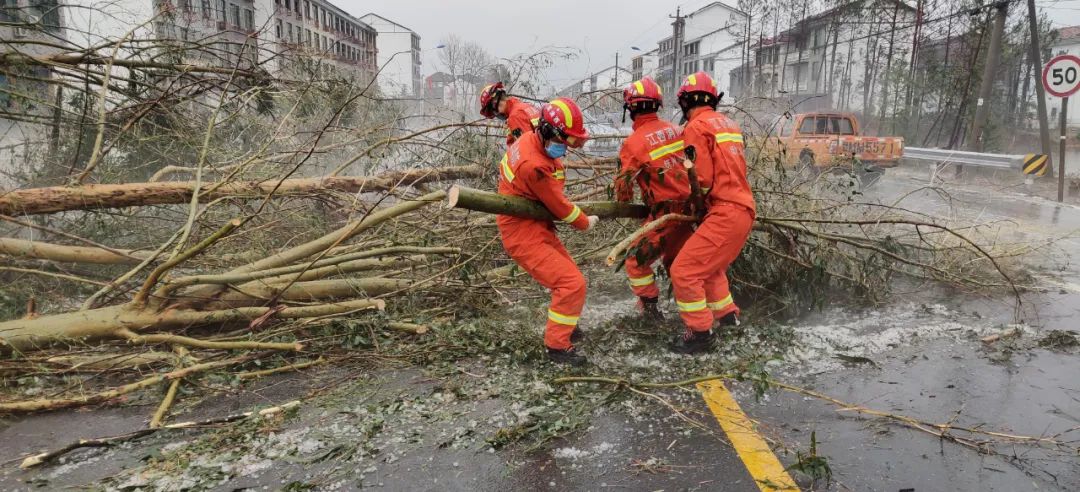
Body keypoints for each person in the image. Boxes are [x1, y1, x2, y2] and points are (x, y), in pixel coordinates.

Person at [497, 97, 599, 366]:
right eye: (564, 141)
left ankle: (566, 326)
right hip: (522, 233)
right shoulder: (535, 166)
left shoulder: (530, 139)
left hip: (534, 225)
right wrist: (585, 222)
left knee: (571, 276)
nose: (566, 148)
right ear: (547, 131)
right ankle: (557, 346)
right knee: (571, 283)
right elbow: (560, 207)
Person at [668, 71, 756, 354]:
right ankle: (728, 319)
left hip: (725, 211)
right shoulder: (728, 124)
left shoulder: (696, 127)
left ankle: (699, 334)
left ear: (686, 101)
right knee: (710, 268)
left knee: (684, 271)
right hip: (742, 208)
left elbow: (701, 178)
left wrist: (690, 204)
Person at [614, 77, 693, 320]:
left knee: (635, 260)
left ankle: (650, 311)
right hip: (692, 210)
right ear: (657, 105)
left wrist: (623, 196)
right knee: (678, 263)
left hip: (665, 215)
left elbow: (624, 190)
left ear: (631, 108)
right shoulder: (677, 130)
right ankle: (697, 312)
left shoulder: (633, 143)